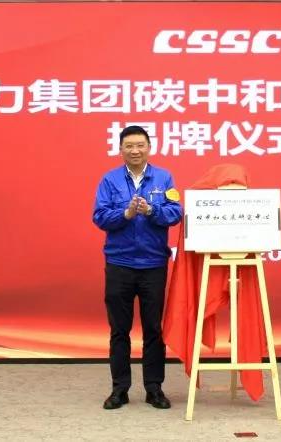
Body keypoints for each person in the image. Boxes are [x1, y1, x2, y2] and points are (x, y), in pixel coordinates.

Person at [92, 125, 183, 410]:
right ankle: (120, 389)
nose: (135, 150)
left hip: (153, 264)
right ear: (120, 149)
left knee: (153, 329)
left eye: (140, 145)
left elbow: (176, 213)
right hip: (119, 264)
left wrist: (151, 211)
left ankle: (154, 388)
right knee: (119, 329)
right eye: (129, 146)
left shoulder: (164, 177)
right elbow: (99, 217)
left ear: (149, 147)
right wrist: (127, 213)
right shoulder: (109, 180)